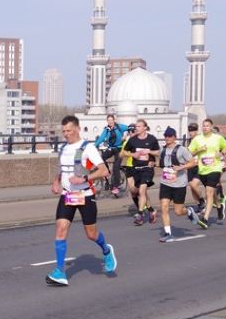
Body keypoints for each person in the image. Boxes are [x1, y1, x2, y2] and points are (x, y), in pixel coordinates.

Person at [46, 115, 118, 285]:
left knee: (91, 234)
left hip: (85, 195)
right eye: (64, 131)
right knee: (61, 229)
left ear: (77, 129)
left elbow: (104, 171)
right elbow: (61, 169)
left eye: (69, 130)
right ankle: (60, 272)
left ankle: (106, 250)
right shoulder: (63, 148)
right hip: (68, 195)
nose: (66, 134)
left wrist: (83, 179)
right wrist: (56, 182)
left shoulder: (88, 148)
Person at [188, 117, 226, 228]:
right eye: (204, 126)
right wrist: (199, 150)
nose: (205, 127)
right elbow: (189, 153)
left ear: (211, 127)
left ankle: (205, 219)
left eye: (207, 126)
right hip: (202, 169)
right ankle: (219, 206)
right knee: (211, 192)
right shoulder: (197, 139)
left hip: (215, 168)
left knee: (209, 192)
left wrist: (221, 153)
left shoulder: (217, 138)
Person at [157, 128, 197, 241]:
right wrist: (152, 164)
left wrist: (181, 167)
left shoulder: (182, 149)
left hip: (179, 184)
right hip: (165, 182)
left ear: (174, 137)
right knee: (164, 207)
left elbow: (193, 162)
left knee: (178, 211)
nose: (167, 138)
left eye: (169, 136)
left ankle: (188, 211)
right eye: (165, 136)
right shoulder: (162, 150)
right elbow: (161, 163)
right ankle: (168, 233)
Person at [123, 120, 160, 225]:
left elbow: (158, 152)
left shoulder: (152, 139)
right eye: (136, 127)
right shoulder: (132, 140)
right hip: (136, 169)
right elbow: (124, 151)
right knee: (138, 191)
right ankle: (151, 211)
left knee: (142, 190)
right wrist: (133, 155)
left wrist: (149, 152)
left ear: (145, 128)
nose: (137, 128)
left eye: (139, 126)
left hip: (147, 169)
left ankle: (140, 215)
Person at [94, 114, 127, 197]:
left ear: (114, 120)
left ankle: (116, 186)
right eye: (108, 120)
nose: (110, 122)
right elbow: (101, 138)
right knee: (102, 158)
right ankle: (107, 172)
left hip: (119, 149)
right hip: (111, 148)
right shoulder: (106, 129)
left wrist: (127, 135)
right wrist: (94, 145)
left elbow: (129, 128)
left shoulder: (119, 127)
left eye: (111, 120)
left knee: (116, 167)